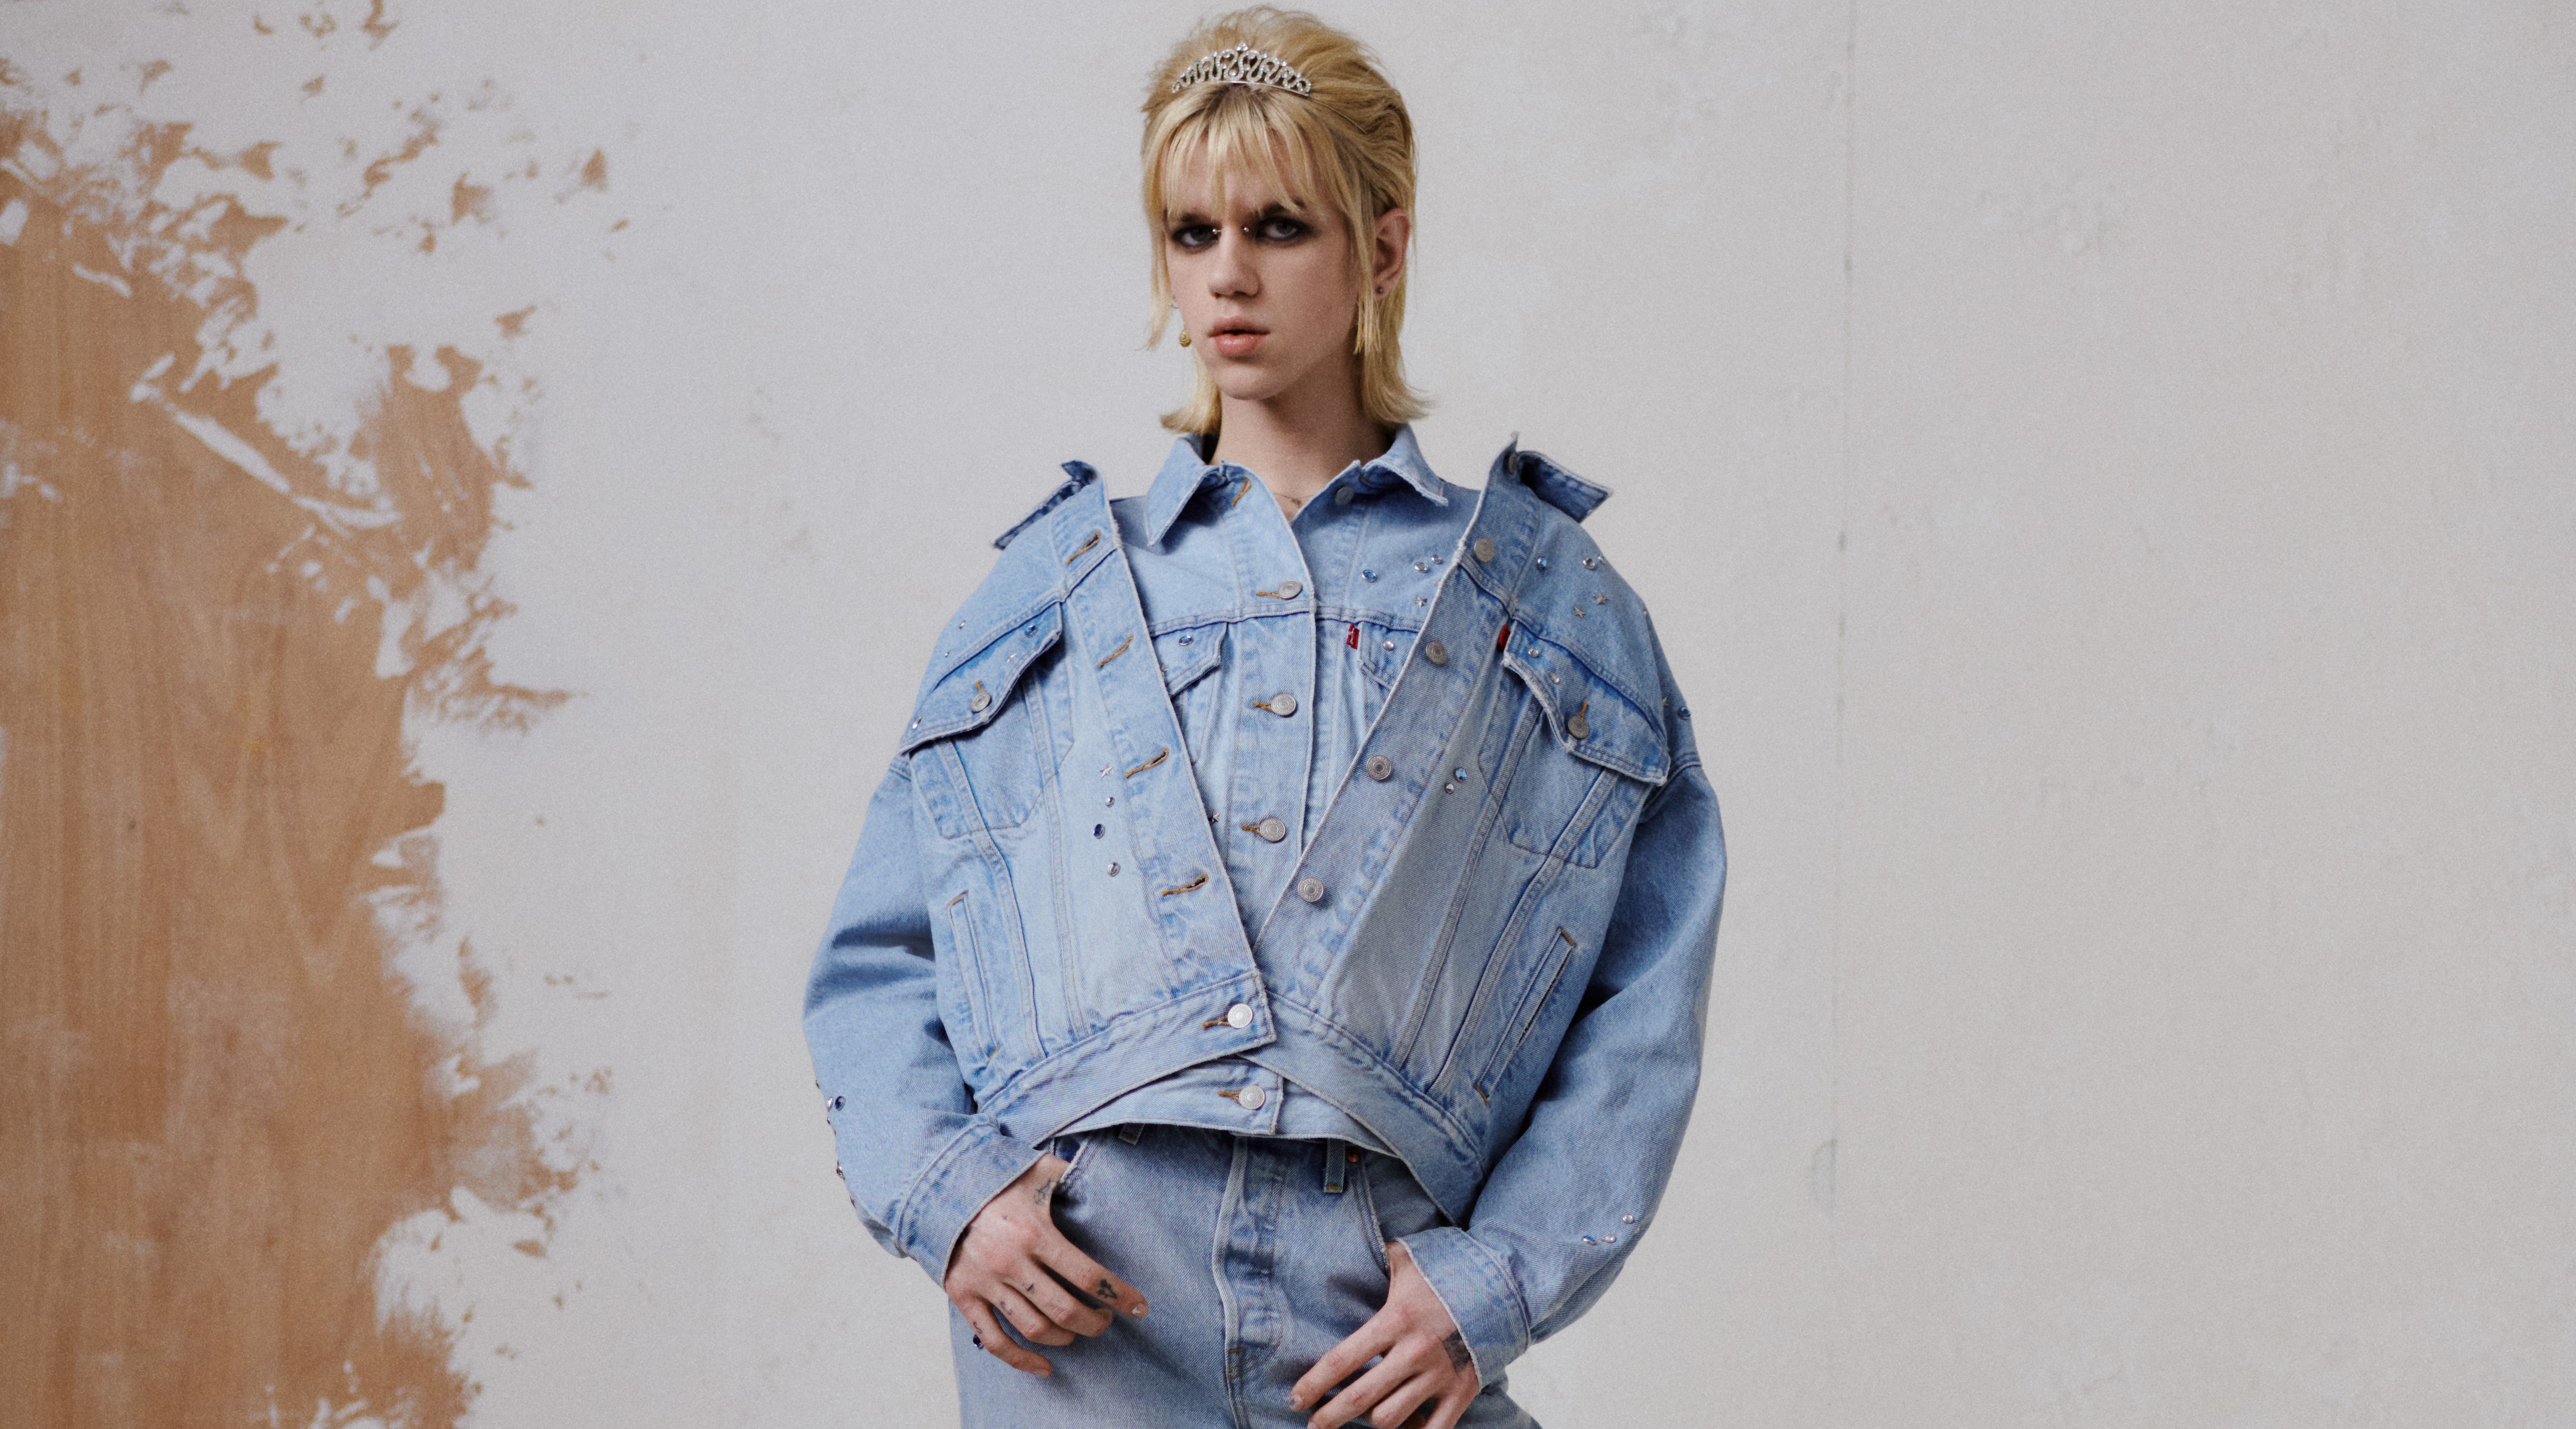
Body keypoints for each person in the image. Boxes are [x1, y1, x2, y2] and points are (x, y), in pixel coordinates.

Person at [803, 10, 1727, 1426]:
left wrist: (1494, 1285)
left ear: (1384, 249)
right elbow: (881, 951)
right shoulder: (1053, 585)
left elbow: (1644, 991)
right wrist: (953, 1198)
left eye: (1280, 227)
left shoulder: (1548, 599)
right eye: (1192, 233)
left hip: (1380, 1309)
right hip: (1087, 1304)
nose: (1227, 275)